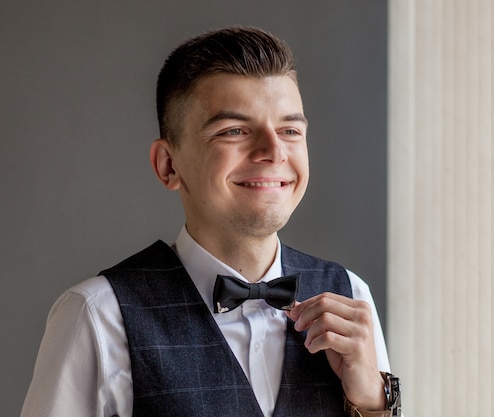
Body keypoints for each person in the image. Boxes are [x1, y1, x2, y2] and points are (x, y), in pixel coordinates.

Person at [21, 27, 401, 417]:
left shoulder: (351, 294)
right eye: (234, 131)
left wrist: (371, 400)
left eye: (290, 130)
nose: (274, 151)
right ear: (168, 165)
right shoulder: (97, 316)